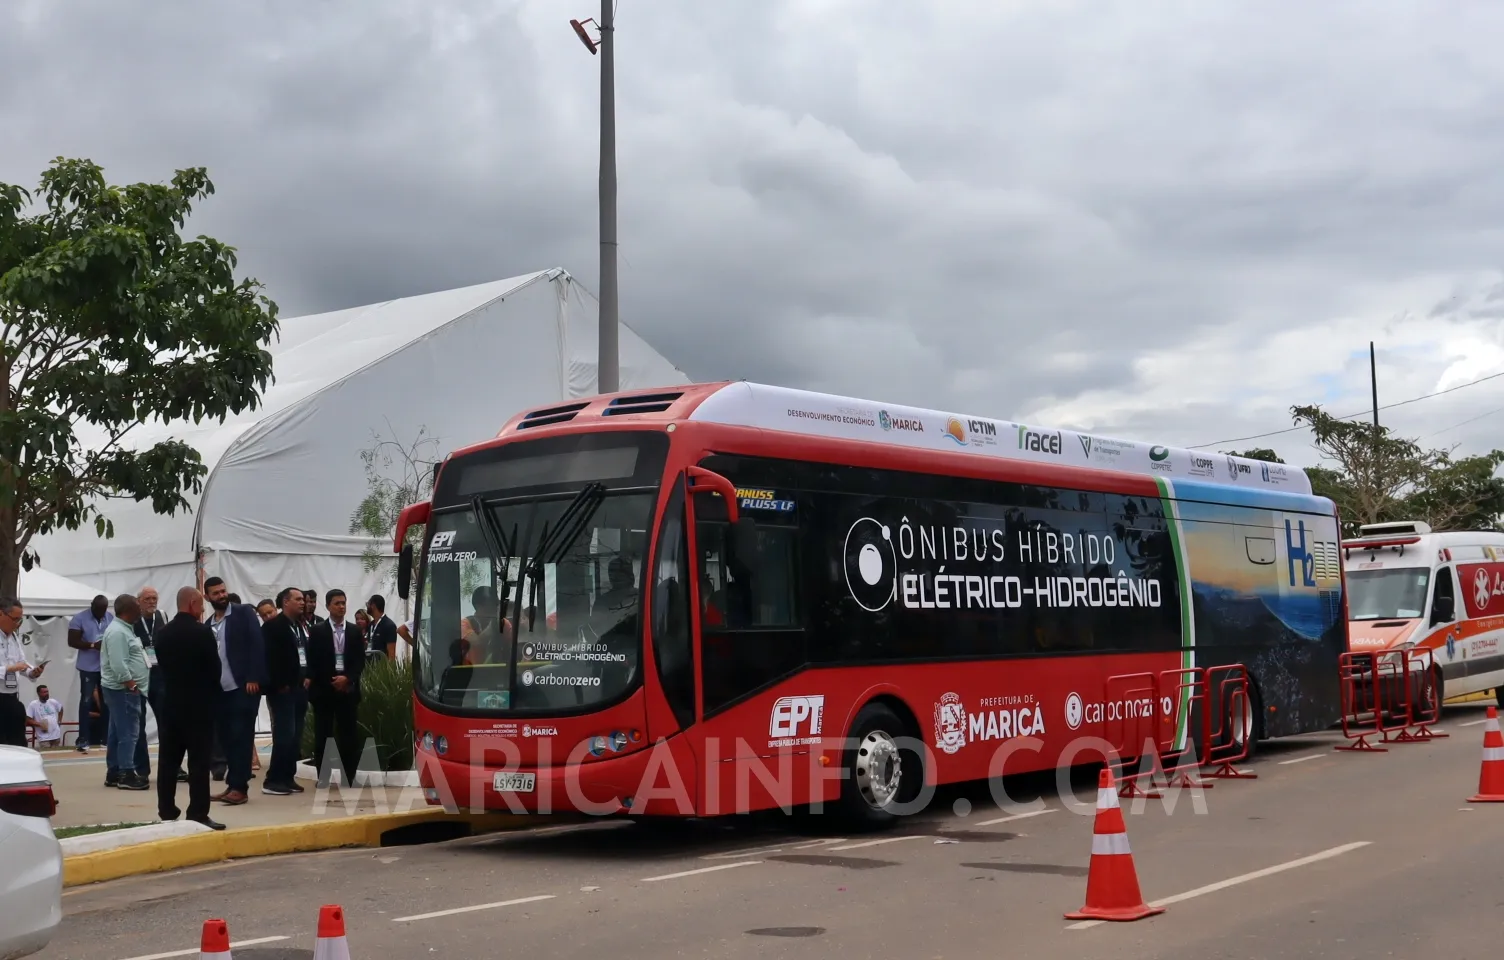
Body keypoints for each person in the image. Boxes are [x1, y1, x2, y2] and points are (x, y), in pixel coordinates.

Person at [155, 587, 226, 830]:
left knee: (168, 761)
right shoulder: (202, 633)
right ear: (193, 603)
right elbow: (214, 671)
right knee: (198, 763)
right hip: (199, 707)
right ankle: (197, 812)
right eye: (201, 604)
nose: (203, 609)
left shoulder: (162, 634)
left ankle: (166, 809)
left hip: (171, 704)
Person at [205, 577, 264, 806]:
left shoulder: (243, 613)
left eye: (223, 591)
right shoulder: (209, 623)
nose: (221, 595)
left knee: (241, 738)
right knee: (227, 739)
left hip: (243, 687)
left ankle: (240, 787)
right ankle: (232, 785)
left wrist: (253, 676)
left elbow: (257, 645)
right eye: (216, 593)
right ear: (207, 596)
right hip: (220, 692)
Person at [308, 589, 366, 788]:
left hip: (347, 691)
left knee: (348, 735)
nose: (341, 607)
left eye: (343, 603)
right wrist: (331, 680)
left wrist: (347, 679)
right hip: (324, 691)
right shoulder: (317, 631)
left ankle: (349, 776)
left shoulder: (354, 631)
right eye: (337, 603)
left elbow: (359, 661)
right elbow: (313, 662)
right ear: (328, 606)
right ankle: (323, 777)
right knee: (323, 735)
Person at [261, 587, 308, 796]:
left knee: (296, 736)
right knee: (284, 735)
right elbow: (268, 658)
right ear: (286, 602)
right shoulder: (273, 627)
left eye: (303, 600)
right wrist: (279, 683)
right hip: (282, 689)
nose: (302, 603)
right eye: (297, 599)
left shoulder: (298, 626)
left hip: (299, 688)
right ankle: (274, 780)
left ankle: (288, 776)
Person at [100, 594, 150, 790]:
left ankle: (114, 771)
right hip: (123, 689)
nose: (141, 608)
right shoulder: (118, 633)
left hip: (121, 689)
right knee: (129, 731)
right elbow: (118, 664)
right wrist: (132, 685)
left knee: (116, 731)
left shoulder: (123, 629)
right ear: (129, 610)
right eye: (137, 606)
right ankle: (126, 773)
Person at [135, 587, 182, 783]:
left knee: (167, 723)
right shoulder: (133, 619)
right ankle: (141, 769)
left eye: (154, 598)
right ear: (139, 601)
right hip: (140, 677)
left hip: (160, 676)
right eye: (147, 599)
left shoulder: (162, 615)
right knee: (139, 724)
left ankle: (173, 767)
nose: (151, 602)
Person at [67, 595, 113, 754]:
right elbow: (72, 641)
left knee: (106, 702)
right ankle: (83, 739)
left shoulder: (110, 618)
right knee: (86, 701)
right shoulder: (79, 618)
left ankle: (106, 738)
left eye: (104, 610)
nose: (101, 613)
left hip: (105, 667)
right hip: (87, 667)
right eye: (98, 609)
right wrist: (93, 645)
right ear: (92, 605)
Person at [1, 598, 43, 747]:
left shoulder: (13, 638)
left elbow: (22, 663)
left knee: (18, 740)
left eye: (20, 620)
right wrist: (9, 668)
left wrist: (32, 672)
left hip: (11, 695)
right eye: (15, 619)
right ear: (1, 614)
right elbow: (14, 666)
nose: (17, 624)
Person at [26, 684, 64, 748]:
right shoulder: (33, 704)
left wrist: (59, 721)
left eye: (47, 691)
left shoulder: (52, 702)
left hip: (56, 736)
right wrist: (39, 724)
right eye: (44, 692)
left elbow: (61, 709)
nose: (47, 694)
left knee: (56, 755)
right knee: (47, 755)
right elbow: (28, 719)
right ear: (38, 693)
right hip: (44, 738)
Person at [366, 595, 396, 660]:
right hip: (370, 666)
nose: (367, 607)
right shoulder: (371, 625)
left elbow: (391, 653)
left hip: (381, 667)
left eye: (367, 604)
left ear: (373, 605)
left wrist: (389, 669)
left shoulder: (389, 625)